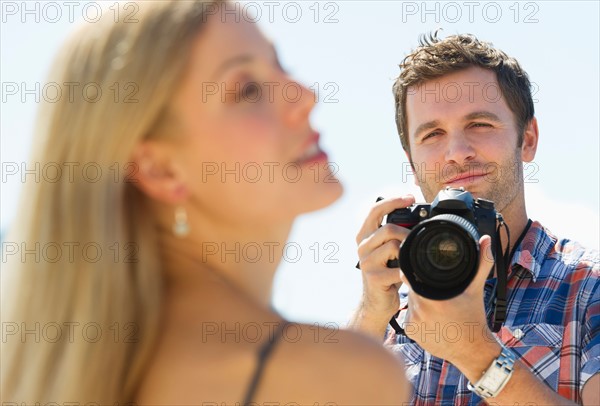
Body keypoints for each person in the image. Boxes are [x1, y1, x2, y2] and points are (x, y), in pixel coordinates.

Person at [0, 1, 410, 404]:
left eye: (280, 64)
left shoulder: (65, 372)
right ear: (160, 168)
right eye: (247, 89)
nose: (304, 95)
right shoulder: (335, 377)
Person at [350, 33, 599, 405]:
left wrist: (477, 354)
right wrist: (369, 317)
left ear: (527, 139)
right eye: (433, 134)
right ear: (413, 164)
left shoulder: (588, 289)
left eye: (480, 124)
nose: (457, 153)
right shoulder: (390, 309)